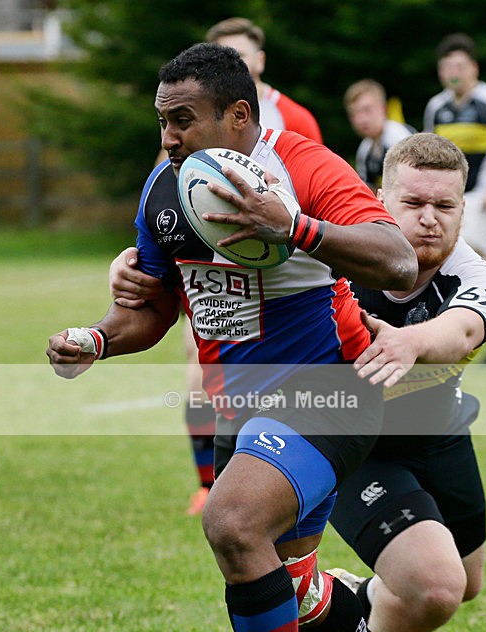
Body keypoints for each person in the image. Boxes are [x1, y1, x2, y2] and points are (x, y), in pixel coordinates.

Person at [47, 43, 426, 632]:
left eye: (181, 120)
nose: (167, 137)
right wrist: (95, 337)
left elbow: (395, 259)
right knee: (291, 583)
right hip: (241, 406)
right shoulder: (165, 187)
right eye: (161, 121)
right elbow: (153, 308)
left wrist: (295, 228)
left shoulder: (307, 167)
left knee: (231, 522)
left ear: (238, 114)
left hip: (332, 390)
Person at [324, 132, 486, 632]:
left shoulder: (477, 275)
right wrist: (135, 265)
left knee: (468, 580)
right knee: (435, 587)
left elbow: (460, 332)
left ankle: (355, 606)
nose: (429, 219)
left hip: (441, 436)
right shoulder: (337, 259)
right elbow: (232, 261)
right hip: (357, 446)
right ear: (381, 198)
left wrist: (408, 341)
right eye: (413, 203)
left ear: (463, 207)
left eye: (446, 206)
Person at [148, 18, 323, 515]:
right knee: (199, 372)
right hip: (210, 266)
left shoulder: (295, 119)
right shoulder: (190, 119)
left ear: (260, 62)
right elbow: (167, 183)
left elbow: (313, 189)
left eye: (242, 55)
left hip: (281, 273)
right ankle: (209, 483)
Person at [423, 33, 486, 363]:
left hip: (484, 198)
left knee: (465, 259)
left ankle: (466, 337)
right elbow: (429, 152)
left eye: (459, 65)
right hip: (450, 199)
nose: (453, 72)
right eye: (446, 66)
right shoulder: (437, 107)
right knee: (471, 263)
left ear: (474, 68)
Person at [343, 79, 415, 194]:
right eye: (354, 113)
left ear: (383, 109)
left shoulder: (400, 139)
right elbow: (367, 191)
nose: (360, 119)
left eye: (367, 110)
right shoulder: (365, 149)